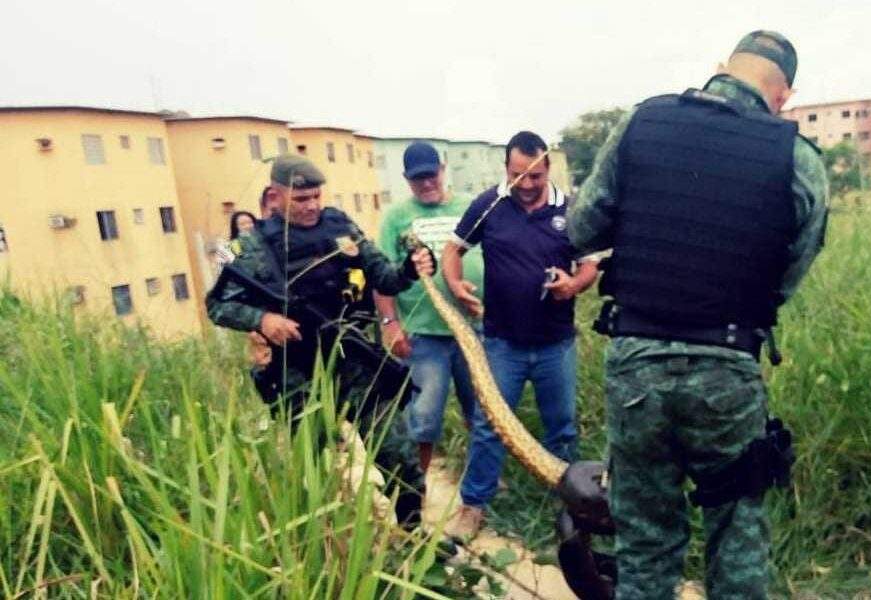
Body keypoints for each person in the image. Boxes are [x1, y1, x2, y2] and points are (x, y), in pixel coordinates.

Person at [568, 31, 828, 598]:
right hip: (728, 369)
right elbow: (786, 277)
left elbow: (582, 228)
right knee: (736, 537)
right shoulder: (798, 159)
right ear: (783, 93)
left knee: (644, 544)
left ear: (721, 69)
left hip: (636, 364)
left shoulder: (643, 123)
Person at [206, 153, 435, 524]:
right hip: (298, 372)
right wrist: (262, 319)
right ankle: (329, 545)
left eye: (316, 196)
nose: (312, 206)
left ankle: (413, 532)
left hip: (353, 360)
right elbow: (216, 305)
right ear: (275, 196)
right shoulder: (249, 246)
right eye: (301, 199)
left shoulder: (340, 226)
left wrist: (410, 269)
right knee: (313, 467)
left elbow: (384, 277)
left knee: (398, 454)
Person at [442, 131, 600, 539]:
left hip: (555, 344)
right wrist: (456, 285)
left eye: (535, 176)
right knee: (489, 425)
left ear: (548, 169)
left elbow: (589, 266)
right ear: (506, 169)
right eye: (518, 176)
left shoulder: (570, 208)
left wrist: (572, 284)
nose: (527, 186)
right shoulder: (489, 204)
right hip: (502, 344)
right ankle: (473, 506)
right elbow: (452, 250)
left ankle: (566, 506)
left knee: (561, 427)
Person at [374, 142, 483, 474]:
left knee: (481, 412)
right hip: (422, 336)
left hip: (474, 330)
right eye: (417, 178)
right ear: (407, 179)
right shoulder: (396, 217)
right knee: (423, 419)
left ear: (443, 169)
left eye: (431, 175)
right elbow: (381, 275)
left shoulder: (471, 207)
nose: (426, 183)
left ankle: (482, 481)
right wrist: (390, 324)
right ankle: (417, 485)